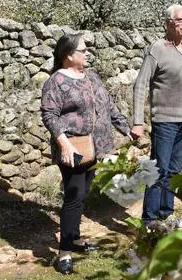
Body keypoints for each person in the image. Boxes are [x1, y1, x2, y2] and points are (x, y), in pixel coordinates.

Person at [41, 33, 132, 274]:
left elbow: (108, 104)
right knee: (73, 197)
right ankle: (64, 253)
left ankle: (77, 239)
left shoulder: (91, 77)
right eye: (83, 49)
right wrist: (64, 144)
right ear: (69, 55)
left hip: (96, 147)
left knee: (83, 193)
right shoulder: (56, 82)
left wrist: (126, 127)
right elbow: (49, 115)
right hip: (74, 149)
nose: (88, 52)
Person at [131, 4, 182, 226]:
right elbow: (140, 85)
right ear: (168, 23)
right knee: (159, 171)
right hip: (164, 122)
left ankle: (165, 214)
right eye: (179, 20)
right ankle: (149, 220)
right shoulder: (157, 49)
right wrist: (138, 122)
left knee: (174, 171)